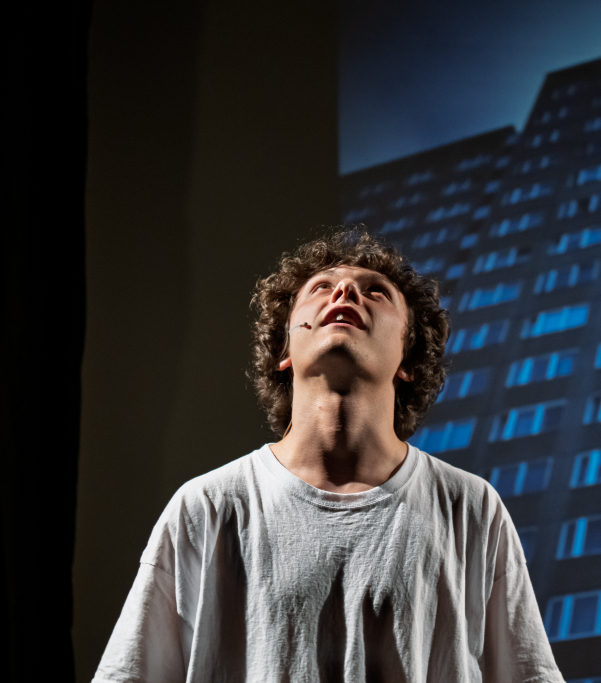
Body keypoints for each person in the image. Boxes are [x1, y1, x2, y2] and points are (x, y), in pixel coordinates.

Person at [93, 227, 564, 683]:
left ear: (407, 361)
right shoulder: (208, 507)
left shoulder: (470, 509)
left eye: (375, 292)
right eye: (322, 288)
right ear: (284, 352)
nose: (344, 295)